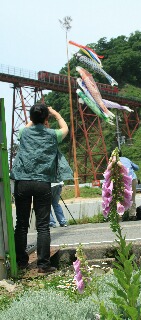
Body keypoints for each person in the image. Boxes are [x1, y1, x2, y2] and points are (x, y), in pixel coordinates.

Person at [10, 103, 73, 274]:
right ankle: (43, 265)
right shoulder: (52, 135)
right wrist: (55, 114)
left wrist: (35, 119)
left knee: (21, 225)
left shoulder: (23, 133)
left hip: (22, 181)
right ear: (46, 119)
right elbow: (65, 129)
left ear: (31, 118)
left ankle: (21, 262)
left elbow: (27, 127)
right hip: (42, 183)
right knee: (43, 226)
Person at [118, 150, 139, 220]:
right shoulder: (126, 159)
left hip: (122, 180)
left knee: (121, 197)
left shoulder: (113, 161)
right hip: (132, 179)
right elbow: (136, 168)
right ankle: (132, 215)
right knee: (132, 197)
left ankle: (121, 215)